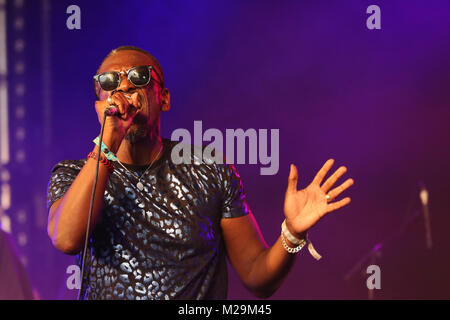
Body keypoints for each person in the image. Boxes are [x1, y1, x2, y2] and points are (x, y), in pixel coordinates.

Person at [46, 46, 354, 300]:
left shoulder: (209, 169)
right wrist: (108, 142)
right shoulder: (73, 175)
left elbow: (258, 277)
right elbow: (66, 238)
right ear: (99, 103)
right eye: (110, 81)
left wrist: (292, 232)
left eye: (139, 77)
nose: (124, 87)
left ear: (163, 98)